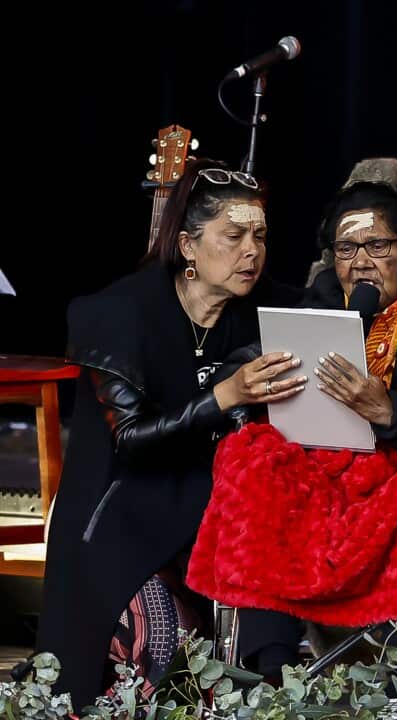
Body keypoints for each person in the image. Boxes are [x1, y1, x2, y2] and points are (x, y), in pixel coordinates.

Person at [36, 159, 304, 706]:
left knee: (252, 650)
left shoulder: (266, 306)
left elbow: (342, 312)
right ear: (187, 246)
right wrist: (224, 396)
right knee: (160, 655)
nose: (251, 250)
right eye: (232, 236)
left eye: (260, 235)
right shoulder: (116, 314)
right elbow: (131, 440)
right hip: (124, 516)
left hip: (214, 517)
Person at [235, 158, 397, 678]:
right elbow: (241, 361)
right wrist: (248, 377)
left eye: (377, 247)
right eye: (346, 249)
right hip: (323, 476)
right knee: (252, 455)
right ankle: (270, 675)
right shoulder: (317, 307)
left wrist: (390, 410)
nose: (360, 262)